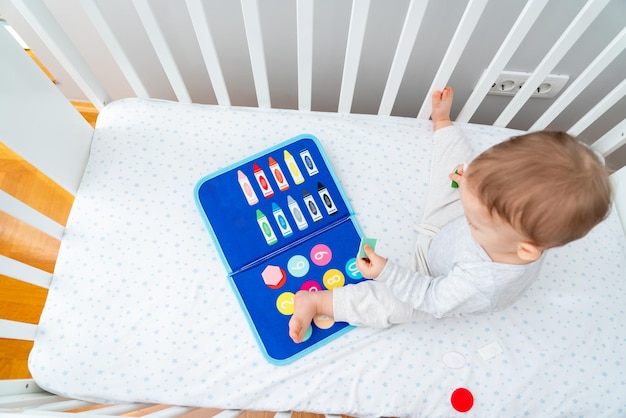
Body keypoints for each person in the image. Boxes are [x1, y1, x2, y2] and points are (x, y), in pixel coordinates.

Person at [288, 86, 612, 343]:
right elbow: (483, 197)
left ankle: (318, 302)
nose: (472, 216)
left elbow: (431, 299)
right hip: (449, 235)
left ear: (525, 248)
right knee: (457, 177)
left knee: (391, 306)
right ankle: (444, 127)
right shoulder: (513, 226)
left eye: (477, 221)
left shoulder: (482, 283)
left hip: (435, 278)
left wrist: (388, 272)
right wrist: (470, 182)